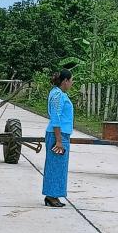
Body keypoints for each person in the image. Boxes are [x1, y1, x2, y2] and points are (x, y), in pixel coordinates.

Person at [42, 69, 74, 207]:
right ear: (65, 81)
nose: (72, 83)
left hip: (61, 135)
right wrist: (59, 140)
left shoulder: (58, 93)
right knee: (55, 166)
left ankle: (54, 195)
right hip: (57, 135)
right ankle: (51, 196)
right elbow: (55, 118)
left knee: (59, 166)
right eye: (71, 80)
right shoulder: (58, 95)